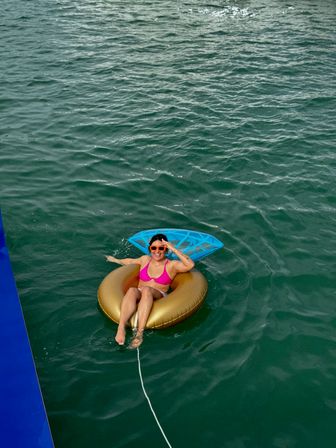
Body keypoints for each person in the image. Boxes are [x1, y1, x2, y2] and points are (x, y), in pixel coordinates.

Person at [105, 233, 195, 348]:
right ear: (149, 248)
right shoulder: (145, 259)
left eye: (161, 248)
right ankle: (121, 327)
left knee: (146, 289)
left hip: (159, 295)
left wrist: (172, 248)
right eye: (154, 248)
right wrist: (115, 260)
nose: (157, 251)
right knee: (132, 290)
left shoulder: (171, 265)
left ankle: (139, 334)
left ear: (165, 249)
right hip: (140, 292)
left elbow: (190, 265)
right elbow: (129, 261)